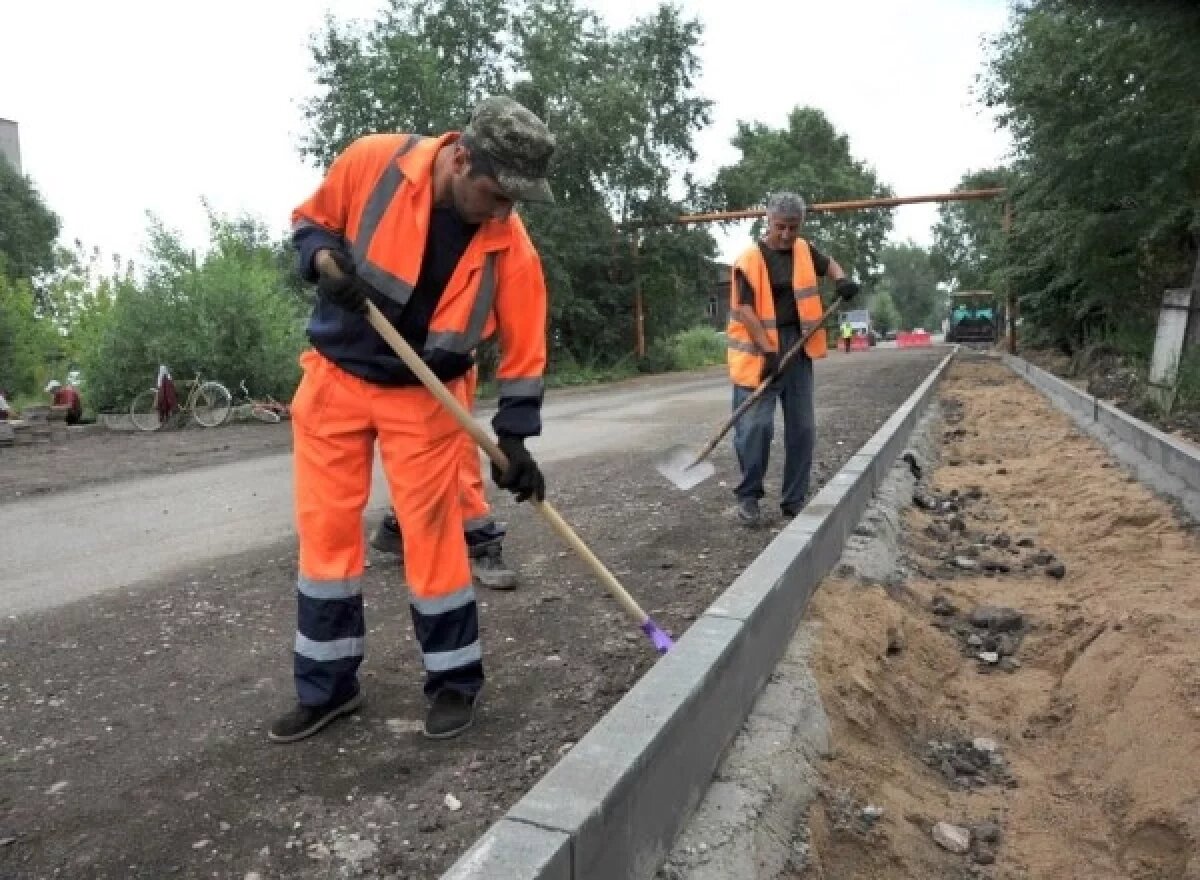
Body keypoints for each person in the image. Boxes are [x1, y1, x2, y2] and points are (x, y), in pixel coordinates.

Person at [271, 95, 556, 744]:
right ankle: (327, 688)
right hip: (336, 381)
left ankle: (455, 683)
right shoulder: (374, 161)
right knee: (326, 540)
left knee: (432, 540)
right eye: (494, 194)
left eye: (516, 200)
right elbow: (311, 223)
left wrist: (513, 439)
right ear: (461, 159)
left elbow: (525, 343)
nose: (504, 212)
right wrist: (325, 265)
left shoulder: (509, 242)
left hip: (427, 398)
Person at [726, 192, 859, 527]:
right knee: (755, 426)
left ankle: (794, 499)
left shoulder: (804, 250)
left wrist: (841, 280)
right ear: (768, 221)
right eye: (780, 226)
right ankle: (749, 498)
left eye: (793, 227)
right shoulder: (749, 260)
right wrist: (768, 350)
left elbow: (829, 265)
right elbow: (743, 309)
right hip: (760, 351)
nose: (786, 234)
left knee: (802, 427)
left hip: (798, 348)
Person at [369, 362, 518, 590]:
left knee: (452, 441)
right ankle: (481, 541)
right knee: (437, 446)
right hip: (410, 358)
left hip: (455, 357)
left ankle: (397, 526)